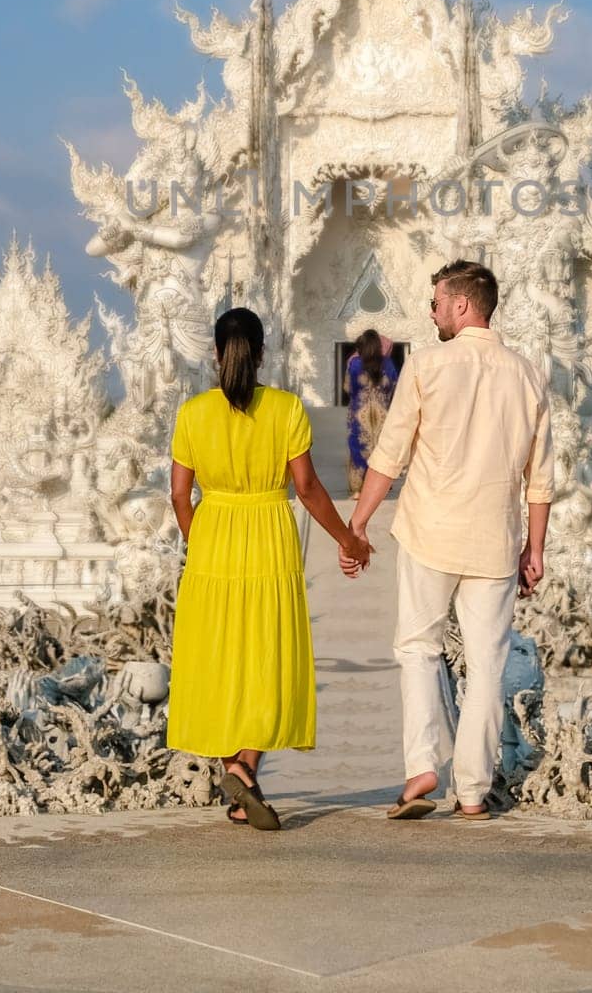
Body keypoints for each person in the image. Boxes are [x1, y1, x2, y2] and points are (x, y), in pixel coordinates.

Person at [341, 260, 553, 821]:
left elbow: (390, 453)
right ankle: (474, 790)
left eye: (436, 301)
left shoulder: (426, 365)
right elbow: (542, 478)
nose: (431, 311)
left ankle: (421, 767)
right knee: (486, 663)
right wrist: (535, 550)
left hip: (430, 531)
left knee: (418, 649)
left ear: (462, 304)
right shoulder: (528, 374)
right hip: (494, 539)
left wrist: (358, 525)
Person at [166, 307, 371, 830]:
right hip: (269, 541)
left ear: (216, 354)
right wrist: (348, 537)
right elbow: (304, 488)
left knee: (216, 661)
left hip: (213, 537)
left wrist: (202, 540)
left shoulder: (192, 414)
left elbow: (178, 494)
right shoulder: (285, 409)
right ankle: (245, 773)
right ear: (262, 353)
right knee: (264, 658)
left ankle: (236, 775)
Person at [343, 328, 399, 497]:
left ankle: (358, 490)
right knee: (381, 449)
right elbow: (395, 386)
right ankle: (381, 486)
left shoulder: (355, 363)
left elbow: (347, 387)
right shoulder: (388, 363)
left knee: (358, 448)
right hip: (383, 415)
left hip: (360, 415)